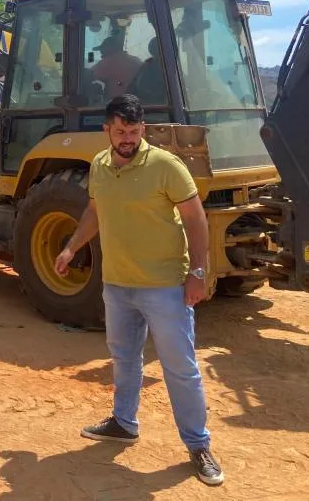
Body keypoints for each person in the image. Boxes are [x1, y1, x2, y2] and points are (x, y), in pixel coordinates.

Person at [53, 94, 224, 487]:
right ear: (107, 131)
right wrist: (71, 246)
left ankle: (198, 445)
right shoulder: (98, 165)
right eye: (120, 131)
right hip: (117, 283)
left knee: (180, 368)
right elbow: (95, 212)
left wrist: (198, 271)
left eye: (133, 131)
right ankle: (123, 422)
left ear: (143, 130)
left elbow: (196, 220)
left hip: (164, 286)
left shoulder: (166, 166)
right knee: (124, 358)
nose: (127, 138)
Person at [92, 31, 143, 99]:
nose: (101, 53)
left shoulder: (109, 62)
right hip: (138, 102)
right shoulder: (136, 60)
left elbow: (87, 75)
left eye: (102, 49)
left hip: (118, 103)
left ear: (109, 49)